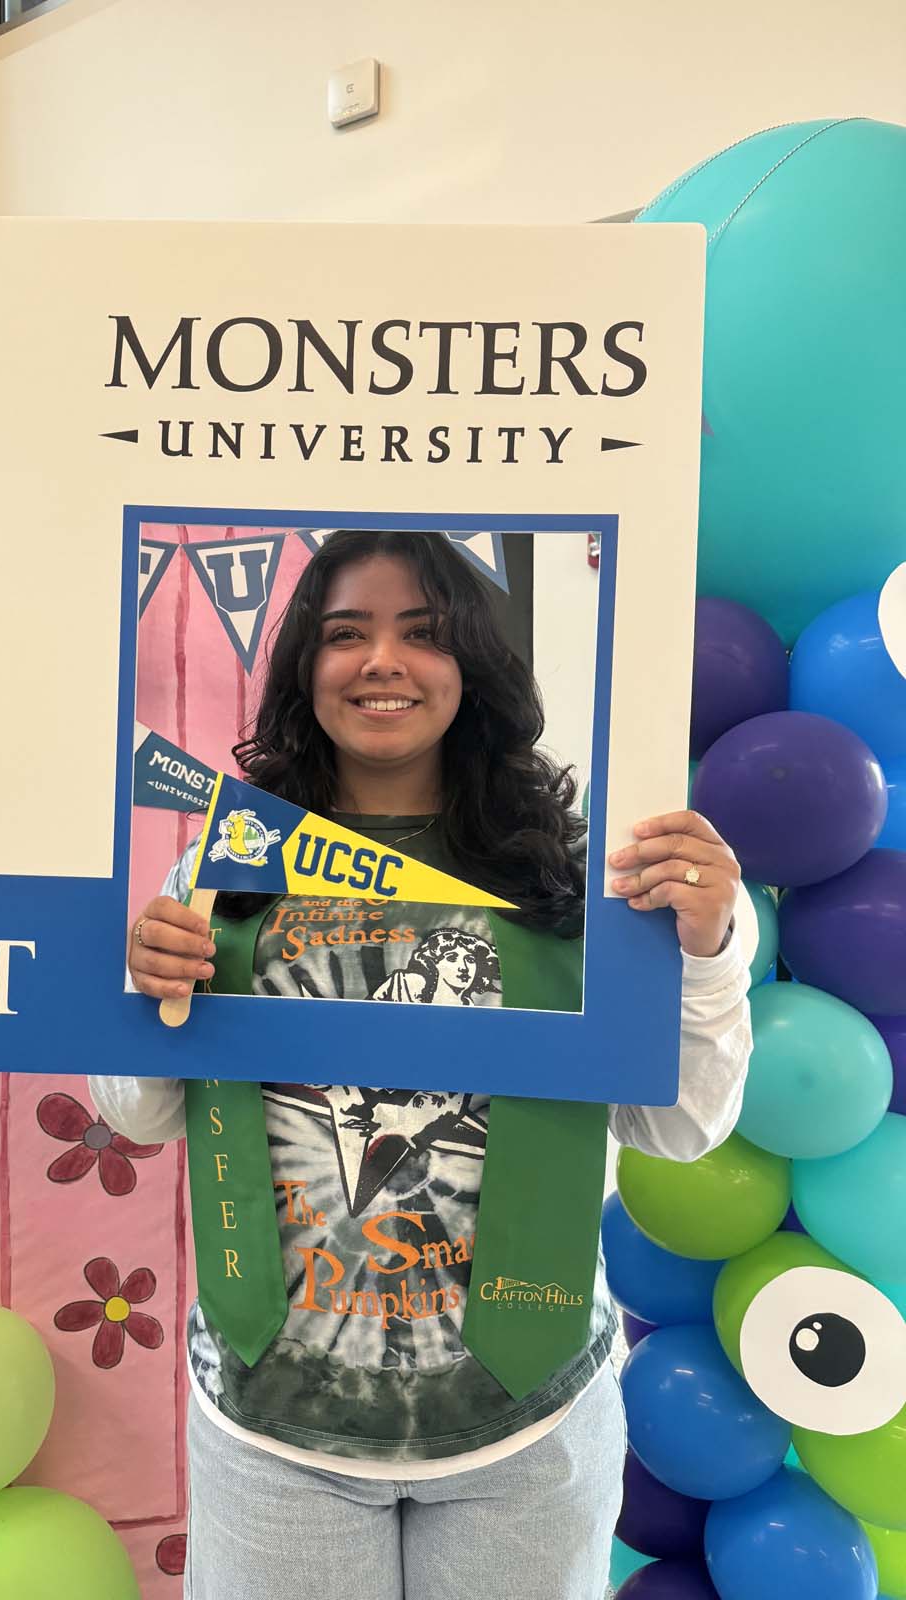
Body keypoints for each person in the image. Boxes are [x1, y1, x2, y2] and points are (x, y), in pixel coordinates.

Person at [92, 529, 751, 1600]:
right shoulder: (232, 860)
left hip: (525, 1426)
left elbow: (685, 1126)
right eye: (346, 634)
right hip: (274, 1430)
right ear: (307, 668)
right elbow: (138, 1113)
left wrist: (714, 954)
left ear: (472, 664)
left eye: (423, 633)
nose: (382, 660)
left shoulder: (577, 869)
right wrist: (142, 990)